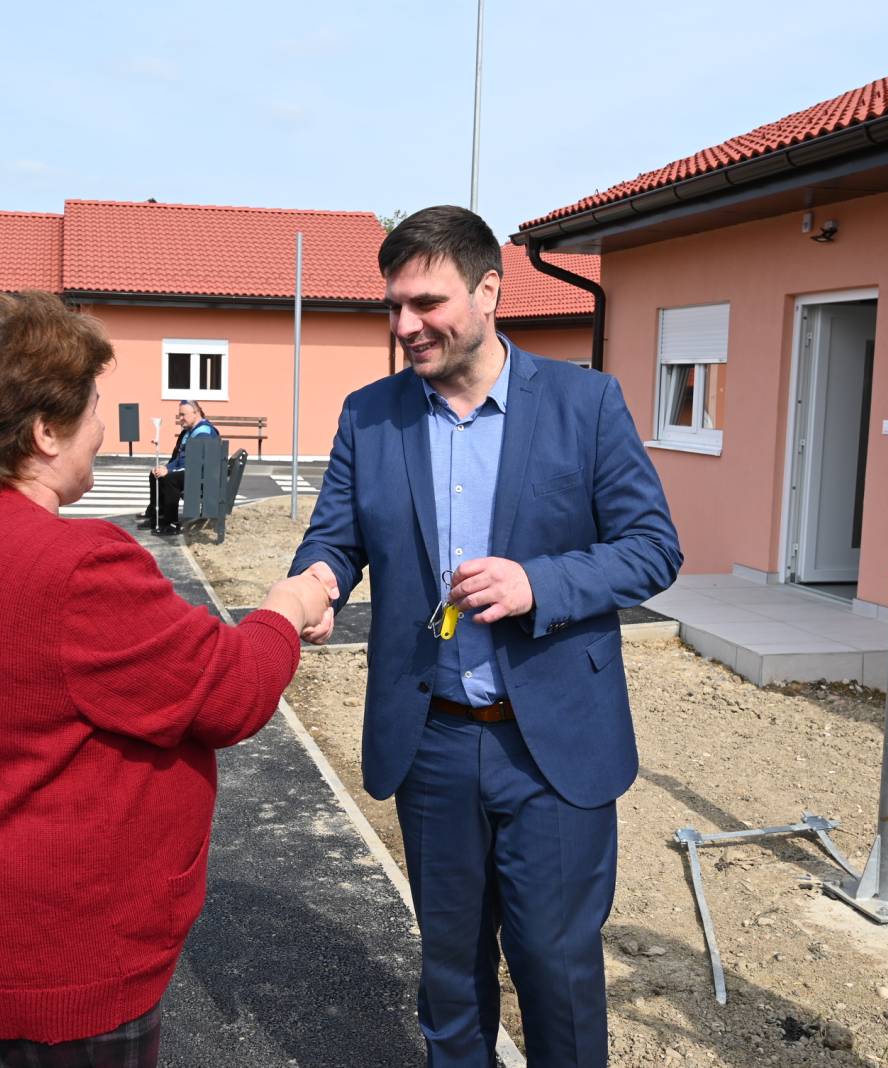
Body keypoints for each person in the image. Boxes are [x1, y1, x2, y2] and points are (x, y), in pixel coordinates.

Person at [0, 291, 335, 1068]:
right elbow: (231, 693)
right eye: (94, 407)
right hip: (68, 941)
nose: (102, 427)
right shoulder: (74, 567)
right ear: (45, 431)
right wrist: (286, 608)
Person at [289, 207, 682, 1067]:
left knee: (556, 971)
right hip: (431, 742)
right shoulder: (370, 415)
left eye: (426, 303)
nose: (405, 326)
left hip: (552, 749)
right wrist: (315, 583)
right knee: (450, 976)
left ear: (490, 290)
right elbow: (336, 539)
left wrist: (539, 583)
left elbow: (653, 548)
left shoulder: (585, 403)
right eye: (393, 306)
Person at [136, 400, 218, 535]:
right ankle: (158, 515)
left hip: (203, 477)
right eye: (179, 415)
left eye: (183, 415)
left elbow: (195, 463)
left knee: (170, 478)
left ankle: (171, 523)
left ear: (196, 413)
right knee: (156, 473)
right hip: (193, 471)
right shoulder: (189, 432)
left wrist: (169, 471)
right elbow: (180, 460)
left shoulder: (203, 433)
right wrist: (165, 467)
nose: (180, 419)